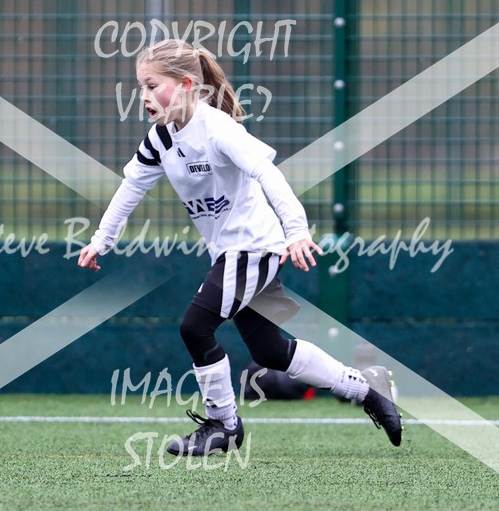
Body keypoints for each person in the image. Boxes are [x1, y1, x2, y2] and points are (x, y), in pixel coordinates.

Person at [77, 38, 402, 455]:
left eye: (151, 85)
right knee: (271, 350)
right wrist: (101, 239)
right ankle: (367, 389)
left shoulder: (218, 130)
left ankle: (223, 425)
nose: (143, 97)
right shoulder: (161, 138)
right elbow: (131, 187)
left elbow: (268, 174)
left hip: (253, 248)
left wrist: (297, 230)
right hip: (232, 253)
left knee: (194, 326)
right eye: (140, 87)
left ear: (186, 83)